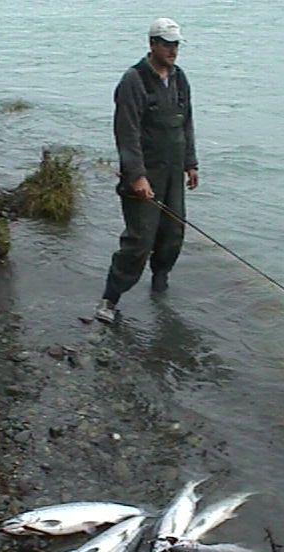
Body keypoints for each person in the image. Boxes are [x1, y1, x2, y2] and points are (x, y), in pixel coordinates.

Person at [95, 17, 199, 324]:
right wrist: (137, 175)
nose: (173, 51)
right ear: (152, 44)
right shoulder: (133, 80)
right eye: (167, 44)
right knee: (140, 239)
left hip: (173, 172)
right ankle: (109, 299)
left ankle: (160, 282)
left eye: (176, 44)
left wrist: (191, 163)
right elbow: (125, 132)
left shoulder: (180, 79)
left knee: (173, 232)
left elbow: (187, 124)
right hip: (143, 174)